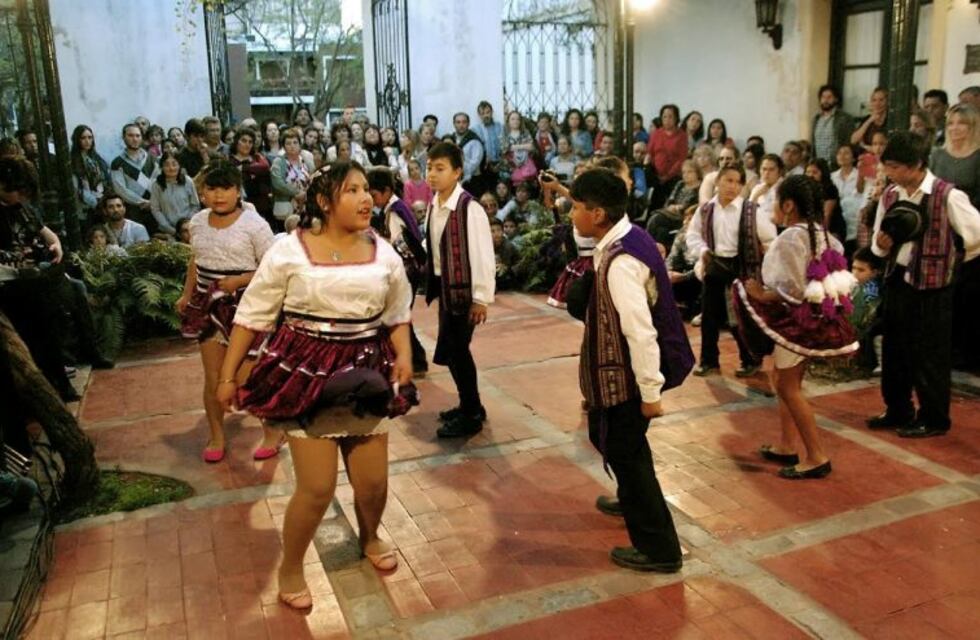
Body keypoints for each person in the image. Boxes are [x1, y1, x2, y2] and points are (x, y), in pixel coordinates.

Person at [217, 161, 416, 609]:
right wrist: (228, 377)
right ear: (325, 202)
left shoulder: (383, 252)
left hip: (366, 371)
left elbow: (396, 312)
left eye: (367, 189)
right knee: (317, 487)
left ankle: (370, 536)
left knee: (373, 483)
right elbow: (252, 315)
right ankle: (291, 566)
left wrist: (403, 353)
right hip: (306, 374)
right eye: (352, 191)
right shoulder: (288, 251)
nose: (366, 198)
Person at [567, 167, 693, 572]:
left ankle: (659, 550)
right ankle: (631, 499)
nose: (571, 214)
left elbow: (640, 332)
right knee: (615, 444)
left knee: (632, 460)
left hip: (627, 381)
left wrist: (651, 394)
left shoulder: (622, 262)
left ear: (598, 213)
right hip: (622, 379)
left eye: (576, 208)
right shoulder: (625, 236)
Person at [734, 175, 858, 479]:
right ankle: (787, 444)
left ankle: (816, 455)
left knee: (789, 388)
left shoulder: (790, 238)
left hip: (796, 323)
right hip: (817, 320)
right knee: (784, 381)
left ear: (788, 205)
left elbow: (789, 288)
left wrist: (759, 293)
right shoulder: (828, 237)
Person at [868, 131, 980, 438]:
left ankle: (933, 418)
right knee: (894, 350)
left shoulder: (947, 195)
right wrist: (880, 246)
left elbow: (976, 237)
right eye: (887, 166)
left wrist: (952, 264)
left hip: (934, 288)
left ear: (916, 164)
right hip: (898, 280)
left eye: (895, 166)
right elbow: (879, 246)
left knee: (930, 355)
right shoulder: (891, 195)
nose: (889, 172)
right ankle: (897, 409)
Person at [175, 160, 280, 463]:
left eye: (226, 188)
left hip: (247, 306)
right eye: (212, 188)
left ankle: (273, 431)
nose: (219, 195)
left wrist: (239, 280)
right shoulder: (196, 222)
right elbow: (195, 260)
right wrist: (186, 293)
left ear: (237, 191)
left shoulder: (254, 224)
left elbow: (273, 267)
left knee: (246, 377)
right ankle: (216, 435)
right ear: (202, 192)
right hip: (209, 306)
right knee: (213, 378)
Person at [424, 142, 495, 437]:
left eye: (440, 169)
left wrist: (480, 298)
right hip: (445, 287)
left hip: (465, 293)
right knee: (453, 350)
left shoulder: (469, 208)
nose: (432, 175)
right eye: (429, 168)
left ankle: (471, 413)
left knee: (458, 351)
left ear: (457, 172)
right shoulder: (435, 203)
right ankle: (471, 405)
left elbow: (482, 254)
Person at [687, 163, 776, 377]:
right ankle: (709, 361)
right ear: (718, 182)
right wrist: (703, 251)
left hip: (741, 267)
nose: (732, 187)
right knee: (709, 316)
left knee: (740, 317)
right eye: (728, 180)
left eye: (738, 182)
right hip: (715, 264)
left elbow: (770, 239)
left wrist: (764, 266)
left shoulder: (751, 211)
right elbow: (693, 235)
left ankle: (750, 360)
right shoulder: (706, 209)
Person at [0, 156, 78, 402]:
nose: (22, 198)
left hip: (34, 280)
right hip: (9, 286)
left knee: (53, 314)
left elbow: (48, 234)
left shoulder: (22, 209)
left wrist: (56, 246)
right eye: (19, 192)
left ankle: (60, 379)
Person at [367, 166, 429, 376]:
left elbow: (401, 246)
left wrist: (375, 239)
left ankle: (417, 360)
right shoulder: (395, 207)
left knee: (399, 316)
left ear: (385, 191)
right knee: (401, 316)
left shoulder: (395, 212)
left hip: (407, 271)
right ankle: (415, 359)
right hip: (408, 270)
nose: (372, 199)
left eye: (374, 194)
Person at [110, 123, 159, 231]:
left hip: (155, 208)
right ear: (124, 137)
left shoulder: (152, 159)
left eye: (137, 136)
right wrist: (141, 202)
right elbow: (120, 189)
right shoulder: (117, 163)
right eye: (131, 135)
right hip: (133, 211)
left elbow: (158, 182)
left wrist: (153, 201)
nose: (135, 139)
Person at [930, 104, 980, 209]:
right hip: (938, 215)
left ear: (973, 126)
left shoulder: (977, 157)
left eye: (961, 123)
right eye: (950, 123)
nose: (954, 128)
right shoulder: (937, 154)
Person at [647, 159, 701, 249]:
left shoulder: (700, 187)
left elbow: (692, 206)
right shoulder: (680, 184)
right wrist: (672, 206)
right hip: (670, 214)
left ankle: (645, 246)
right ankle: (653, 251)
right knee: (661, 231)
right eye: (684, 172)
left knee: (656, 219)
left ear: (697, 173)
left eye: (689, 172)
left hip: (684, 218)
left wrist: (679, 208)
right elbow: (671, 199)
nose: (686, 175)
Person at [849, 246, 884, 372]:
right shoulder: (856, 285)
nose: (855, 273)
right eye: (853, 268)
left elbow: (869, 313)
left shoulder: (872, 288)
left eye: (861, 270)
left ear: (875, 272)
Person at [69, 125, 110, 230]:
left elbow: (105, 179)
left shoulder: (97, 158)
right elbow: (76, 187)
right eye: (83, 138)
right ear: (77, 140)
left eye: (90, 137)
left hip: (102, 202)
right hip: (84, 206)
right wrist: (95, 203)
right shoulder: (72, 161)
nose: (87, 141)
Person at [271, 128, 315, 225]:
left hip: (305, 207)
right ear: (283, 146)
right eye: (288, 143)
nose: (292, 146)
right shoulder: (278, 162)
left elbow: (313, 178)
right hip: (286, 208)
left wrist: (306, 194)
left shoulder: (306, 160)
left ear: (300, 144)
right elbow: (277, 183)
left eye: (295, 143)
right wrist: (296, 193)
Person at [647, 104, 687, 210]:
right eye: (664, 116)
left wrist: (667, 176)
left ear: (676, 118)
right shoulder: (656, 133)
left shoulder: (682, 135)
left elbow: (681, 159)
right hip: (656, 176)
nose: (667, 120)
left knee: (669, 203)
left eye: (670, 116)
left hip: (673, 177)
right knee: (654, 204)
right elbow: (650, 153)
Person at [150, 151, 200, 235]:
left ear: (179, 165)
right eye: (167, 165)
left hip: (188, 227)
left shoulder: (188, 181)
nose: (171, 168)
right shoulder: (157, 185)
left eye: (174, 164)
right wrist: (169, 228)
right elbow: (155, 209)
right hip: (167, 230)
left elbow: (195, 205)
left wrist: (186, 224)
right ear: (161, 167)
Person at [229, 128, 273, 221]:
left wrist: (245, 169)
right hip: (238, 207)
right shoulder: (230, 161)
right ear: (237, 142)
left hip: (261, 207)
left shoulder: (258, 158)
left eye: (250, 142)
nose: (247, 144)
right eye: (244, 141)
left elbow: (265, 169)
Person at [831, 144, 865, 255]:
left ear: (854, 157)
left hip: (854, 222)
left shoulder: (860, 176)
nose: (842, 156)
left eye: (846, 153)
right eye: (839, 153)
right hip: (837, 223)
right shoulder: (832, 177)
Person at [805, 159, 847, 243]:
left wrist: (821, 237)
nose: (810, 175)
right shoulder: (806, 189)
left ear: (823, 173)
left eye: (814, 172)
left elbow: (826, 215)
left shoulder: (829, 189)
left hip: (833, 227)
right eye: (808, 172)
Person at [811, 85, 854, 165]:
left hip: (837, 165)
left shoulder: (844, 118)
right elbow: (813, 144)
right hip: (819, 166)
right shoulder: (816, 119)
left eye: (829, 97)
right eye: (823, 97)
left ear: (836, 99)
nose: (825, 100)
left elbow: (849, 143)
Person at [452, 112, 488, 195]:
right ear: (454, 124)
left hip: (472, 182)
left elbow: (473, 165)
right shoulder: (451, 139)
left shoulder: (475, 141)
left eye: (464, 122)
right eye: (458, 122)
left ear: (468, 123)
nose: (461, 125)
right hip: (453, 182)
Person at [500, 110, 536, 185]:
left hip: (525, 166)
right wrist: (523, 146)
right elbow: (504, 149)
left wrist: (514, 146)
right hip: (510, 166)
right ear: (508, 121)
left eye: (518, 119)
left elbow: (531, 147)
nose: (515, 121)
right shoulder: (504, 133)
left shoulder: (525, 132)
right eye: (512, 119)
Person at [749, 153, 785, 225]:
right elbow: (748, 214)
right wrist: (756, 196)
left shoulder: (786, 188)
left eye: (771, 170)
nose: (766, 173)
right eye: (764, 169)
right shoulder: (757, 188)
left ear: (780, 171)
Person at [472, 101, 503, 168]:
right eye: (482, 113)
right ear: (479, 115)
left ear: (492, 112)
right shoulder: (475, 130)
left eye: (488, 112)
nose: (485, 115)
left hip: (501, 163)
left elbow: (505, 143)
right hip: (485, 165)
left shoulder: (500, 126)